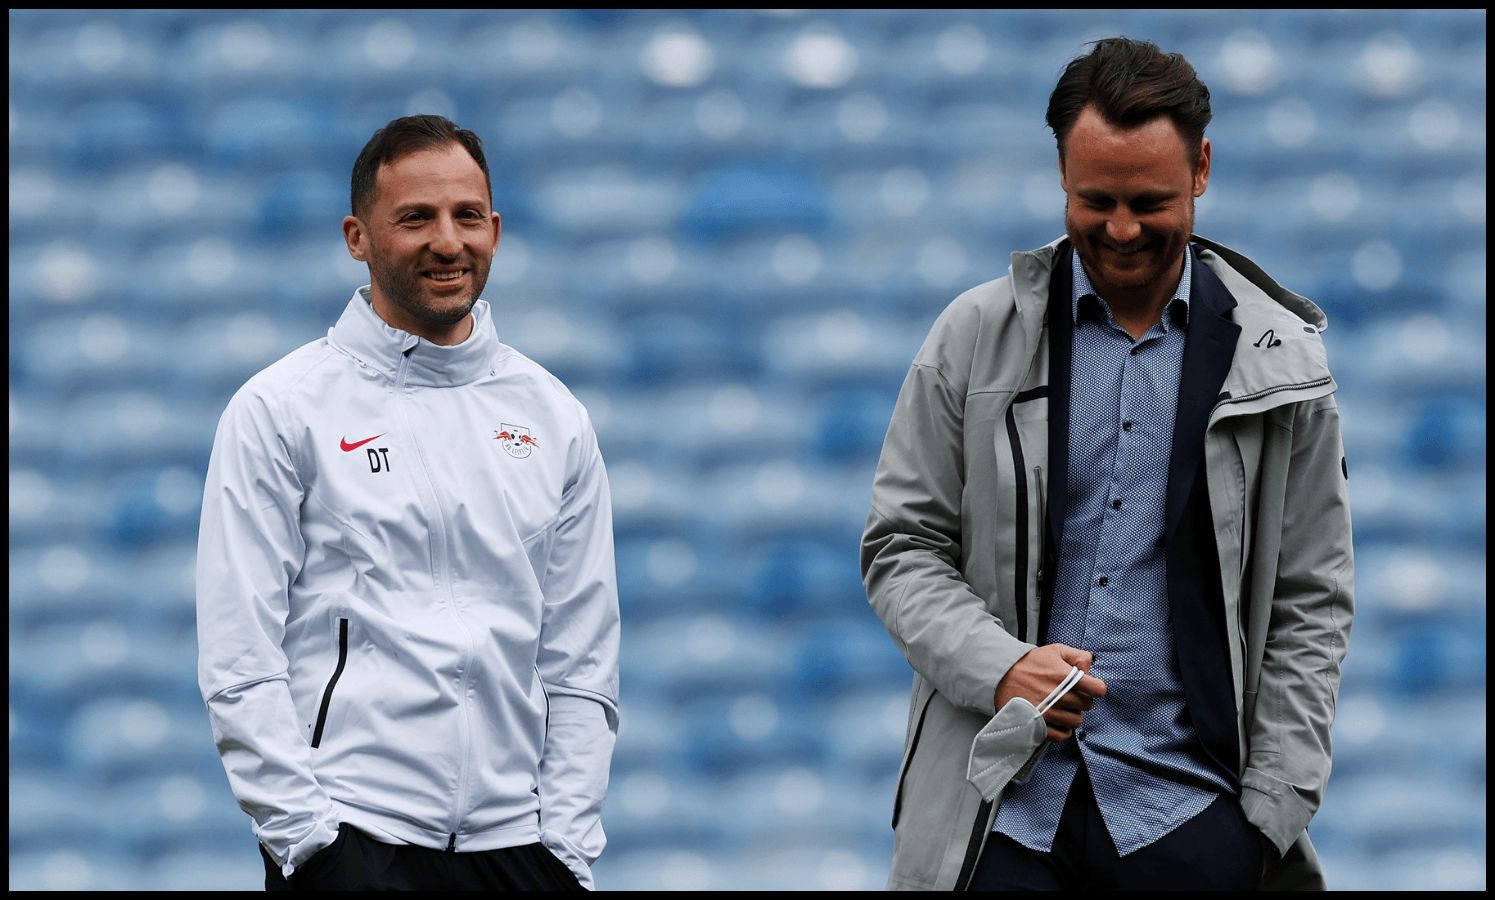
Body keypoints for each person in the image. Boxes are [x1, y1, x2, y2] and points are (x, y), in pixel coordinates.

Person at [861, 38, 1352, 891]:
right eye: (1095, 200)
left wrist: (1271, 810)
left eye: (1148, 200)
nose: (1121, 229)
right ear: (1059, 174)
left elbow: (1311, 601)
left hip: (1196, 818)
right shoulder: (970, 339)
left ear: (1201, 168)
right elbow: (900, 548)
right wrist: (999, 665)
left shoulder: (1284, 366)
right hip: (997, 817)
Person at [196, 115, 620, 891]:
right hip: (358, 839)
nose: (447, 242)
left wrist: (565, 850)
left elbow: (581, 658)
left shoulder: (552, 416)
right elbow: (237, 655)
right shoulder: (280, 408)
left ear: (495, 228)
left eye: (466, 217)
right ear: (357, 236)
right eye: (415, 218)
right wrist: (308, 844)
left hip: (520, 851)